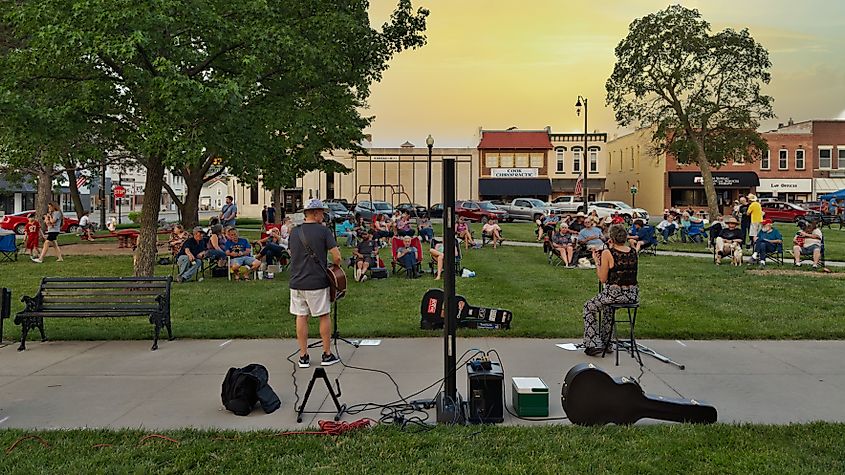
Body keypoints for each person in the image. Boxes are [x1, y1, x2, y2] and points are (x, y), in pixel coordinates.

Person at [288, 199, 342, 368]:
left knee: (301, 316)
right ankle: (326, 354)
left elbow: (292, 253)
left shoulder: (294, 232)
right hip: (316, 281)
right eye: (322, 212)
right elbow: (337, 256)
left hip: (297, 281)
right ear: (316, 213)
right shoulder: (323, 231)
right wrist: (336, 267)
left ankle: (303, 356)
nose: (323, 215)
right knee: (323, 315)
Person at [582, 224, 639, 356]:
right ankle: (607, 342)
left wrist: (597, 261)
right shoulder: (633, 251)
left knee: (589, 307)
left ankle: (592, 343)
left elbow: (602, 278)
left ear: (611, 239)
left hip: (614, 294)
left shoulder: (608, 253)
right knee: (608, 309)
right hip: (632, 294)